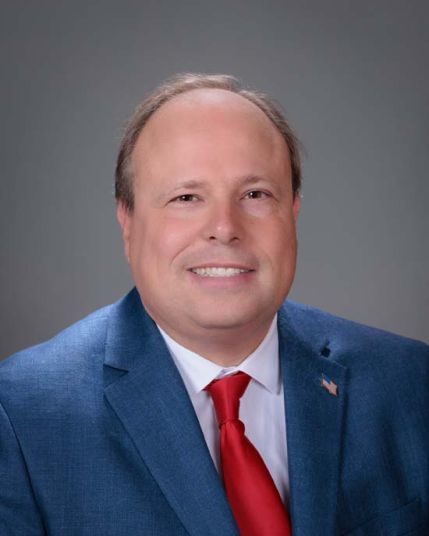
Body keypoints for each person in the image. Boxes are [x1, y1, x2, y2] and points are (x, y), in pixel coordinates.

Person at [0, 73, 428, 536]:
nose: (224, 228)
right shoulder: (21, 417)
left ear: (293, 211)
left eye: (255, 194)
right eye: (186, 197)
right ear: (128, 221)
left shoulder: (409, 383)